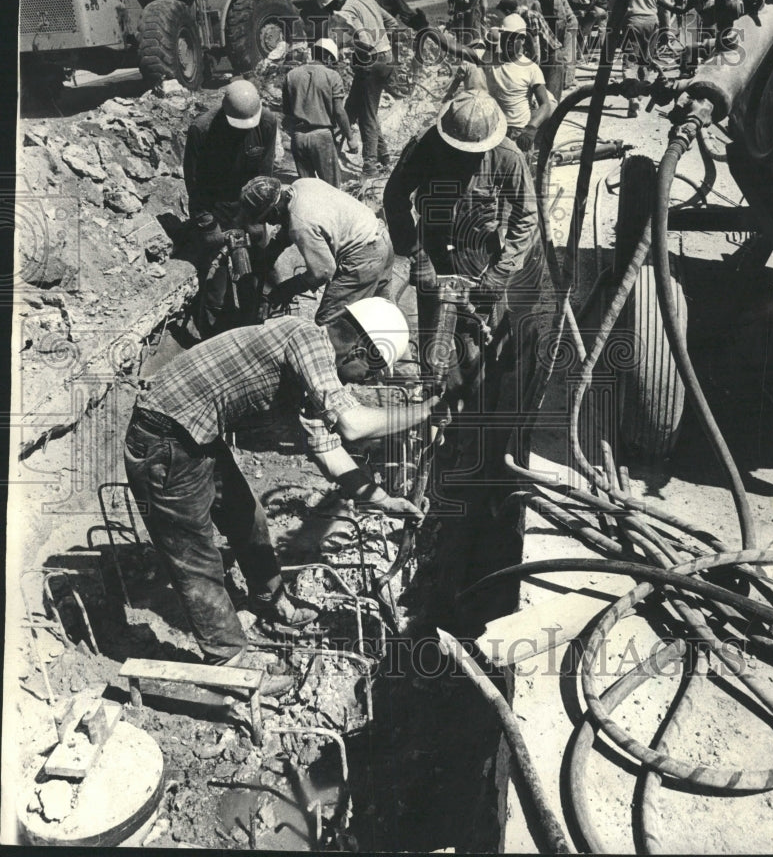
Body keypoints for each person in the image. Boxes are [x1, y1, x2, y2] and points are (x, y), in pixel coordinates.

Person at [124, 305, 439, 683]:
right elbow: (353, 425)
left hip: (194, 433)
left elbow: (329, 452)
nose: (357, 383)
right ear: (358, 351)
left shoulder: (310, 375)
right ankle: (230, 663)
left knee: (248, 518)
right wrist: (426, 412)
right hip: (164, 438)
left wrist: (385, 501)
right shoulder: (305, 338)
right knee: (194, 554)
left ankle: (271, 602)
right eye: (367, 373)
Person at [383, 91, 543, 482]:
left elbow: (527, 217)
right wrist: (417, 258)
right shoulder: (425, 147)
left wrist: (500, 273)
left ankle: (476, 437)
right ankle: (439, 426)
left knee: (482, 352)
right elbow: (394, 196)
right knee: (436, 348)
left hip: (481, 261)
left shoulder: (507, 157)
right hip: (434, 254)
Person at [238, 176, 395, 368]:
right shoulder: (302, 185)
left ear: (275, 208)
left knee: (328, 325)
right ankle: (395, 371)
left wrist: (285, 289)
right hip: (379, 236)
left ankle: (328, 379)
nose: (270, 223)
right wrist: (272, 251)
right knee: (382, 314)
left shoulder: (300, 224)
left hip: (364, 256)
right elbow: (294, 221)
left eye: (268, 218)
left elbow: (323, 272)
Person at [183, 79, 279, 338]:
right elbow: (195, 186)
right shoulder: (202, 130)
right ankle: (214, 333)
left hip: (250, 207)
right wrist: (208, 226)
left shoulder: (267, 123)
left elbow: (264, 177)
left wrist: (257, 221)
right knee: (217, 280)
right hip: (217, 208)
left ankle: (254, 328)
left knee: (257, 274)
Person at [316, 0, 400, 178]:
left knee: (367, 116)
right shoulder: (367, 0)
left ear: (333, 3)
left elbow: (365, 41)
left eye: (329, 9)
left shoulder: (344, 12)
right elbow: (393, 24)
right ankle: (384, 156)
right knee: (355, 107)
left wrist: (354, 47)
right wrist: (382, 42)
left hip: (372, 64)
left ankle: (370, 167)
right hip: (387, 60)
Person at [460, 13, 553, 151]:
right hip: (495, 128)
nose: (509, 41)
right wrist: (426, 30)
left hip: (519, 132)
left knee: (518, 169)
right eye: (506, 37)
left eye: (514, 38)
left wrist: (531, 128)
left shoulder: (531, 68)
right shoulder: (489, 59)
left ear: (522, 40)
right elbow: (456, 49)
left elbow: (545, 104)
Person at [281, 38, 358, 188]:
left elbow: (287, 112)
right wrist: (350, 138)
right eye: (332, 61)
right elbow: (339, 111)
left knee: (308, 190)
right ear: (328, 57)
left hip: (298, 138)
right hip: (322, 137)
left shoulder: (291, 75)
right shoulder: (332, 76)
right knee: (331, 189)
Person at [622, 0, 678, 116]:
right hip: (651, 22)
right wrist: (666, 31)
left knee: (629, 63)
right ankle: (639, 95)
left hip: (632, 21)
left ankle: (632, 99)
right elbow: (666, 9)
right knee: (646, 62)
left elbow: (615, 3)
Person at [521, 0, 578, 95]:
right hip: (559, 24)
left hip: (568, 24)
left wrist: (558, 39)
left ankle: (566, 82)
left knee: (566, 53)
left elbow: (560, 20)